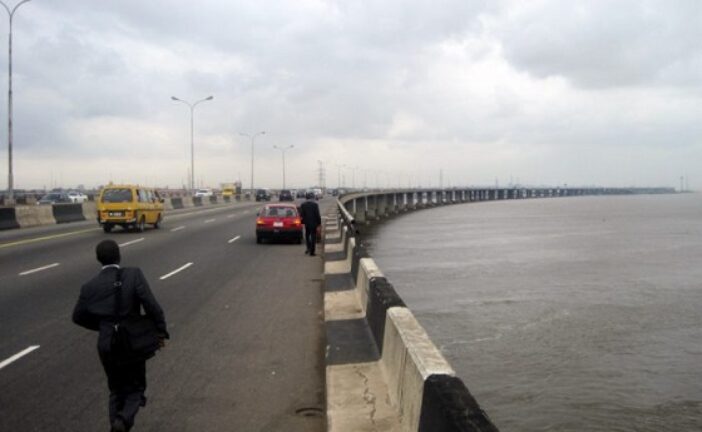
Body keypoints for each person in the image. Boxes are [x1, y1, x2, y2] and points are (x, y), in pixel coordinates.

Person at [73, 240, 169, 432]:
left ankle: (116, 426)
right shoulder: (133, 275)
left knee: (116, 390)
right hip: (131, 342)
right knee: (135, 388)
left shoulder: (89, 286)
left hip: (107, 343)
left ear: (99, 259)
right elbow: (151, 306)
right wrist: (160, 331)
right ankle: (123, 421)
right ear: (119, 255)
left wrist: (104, 326)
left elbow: (78, 317)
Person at [299, 191, 322, 256]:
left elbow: (301, 215)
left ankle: (308, 248)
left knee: (307, 236)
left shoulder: (303, 205)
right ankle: (312, 252)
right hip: (314, 223)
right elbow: (317, 215)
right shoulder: (315, 205)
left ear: (306, 197)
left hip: (307, 223)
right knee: (313, 237)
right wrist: (319, 223)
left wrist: (302, 222)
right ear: (312, 197)